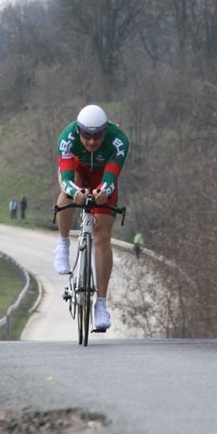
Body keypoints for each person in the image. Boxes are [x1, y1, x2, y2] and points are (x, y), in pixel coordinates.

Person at [53, 104, 129, 331]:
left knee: (103, 236)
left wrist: (104, 191)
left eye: (97, 136)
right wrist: (74, 191)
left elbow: (112, 175)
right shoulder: (67, 138)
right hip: (77, 170)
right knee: (67, 196)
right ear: (79, 131)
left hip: (103, 174)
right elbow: (65, 176)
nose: (92, 141)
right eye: (86, 135)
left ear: (106, 132)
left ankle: (101, 305)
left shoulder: (119, 141)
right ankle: (63, 242)